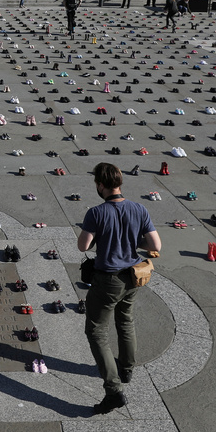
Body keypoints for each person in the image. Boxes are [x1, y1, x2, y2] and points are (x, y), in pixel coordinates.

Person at [78, 162, 161, 414]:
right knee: (125, 321)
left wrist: (101, 235)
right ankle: (126, 369)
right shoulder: (139, 208)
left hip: (108, 280)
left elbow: (83, 246)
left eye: (96, 183)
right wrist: (132, 240)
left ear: (101, 185)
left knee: (96, 332)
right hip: (133, 277)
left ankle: (113, 391)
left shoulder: (96, 213)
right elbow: (155, 245)